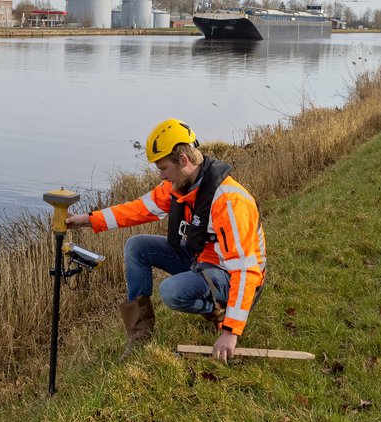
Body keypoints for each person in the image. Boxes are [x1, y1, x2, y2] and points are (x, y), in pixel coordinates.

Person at [66, 118, 267, 363]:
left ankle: (220, 311)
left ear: (184, 160)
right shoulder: (180, 185)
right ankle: (139, 335)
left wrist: (230, 332)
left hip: (228, 274)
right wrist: (87, 220)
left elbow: (246, 271)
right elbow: (139, 208)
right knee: (136, 246)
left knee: (171, 292)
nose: (161, 176)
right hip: (199, 259)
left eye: (163, 169)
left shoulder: (230, 202)